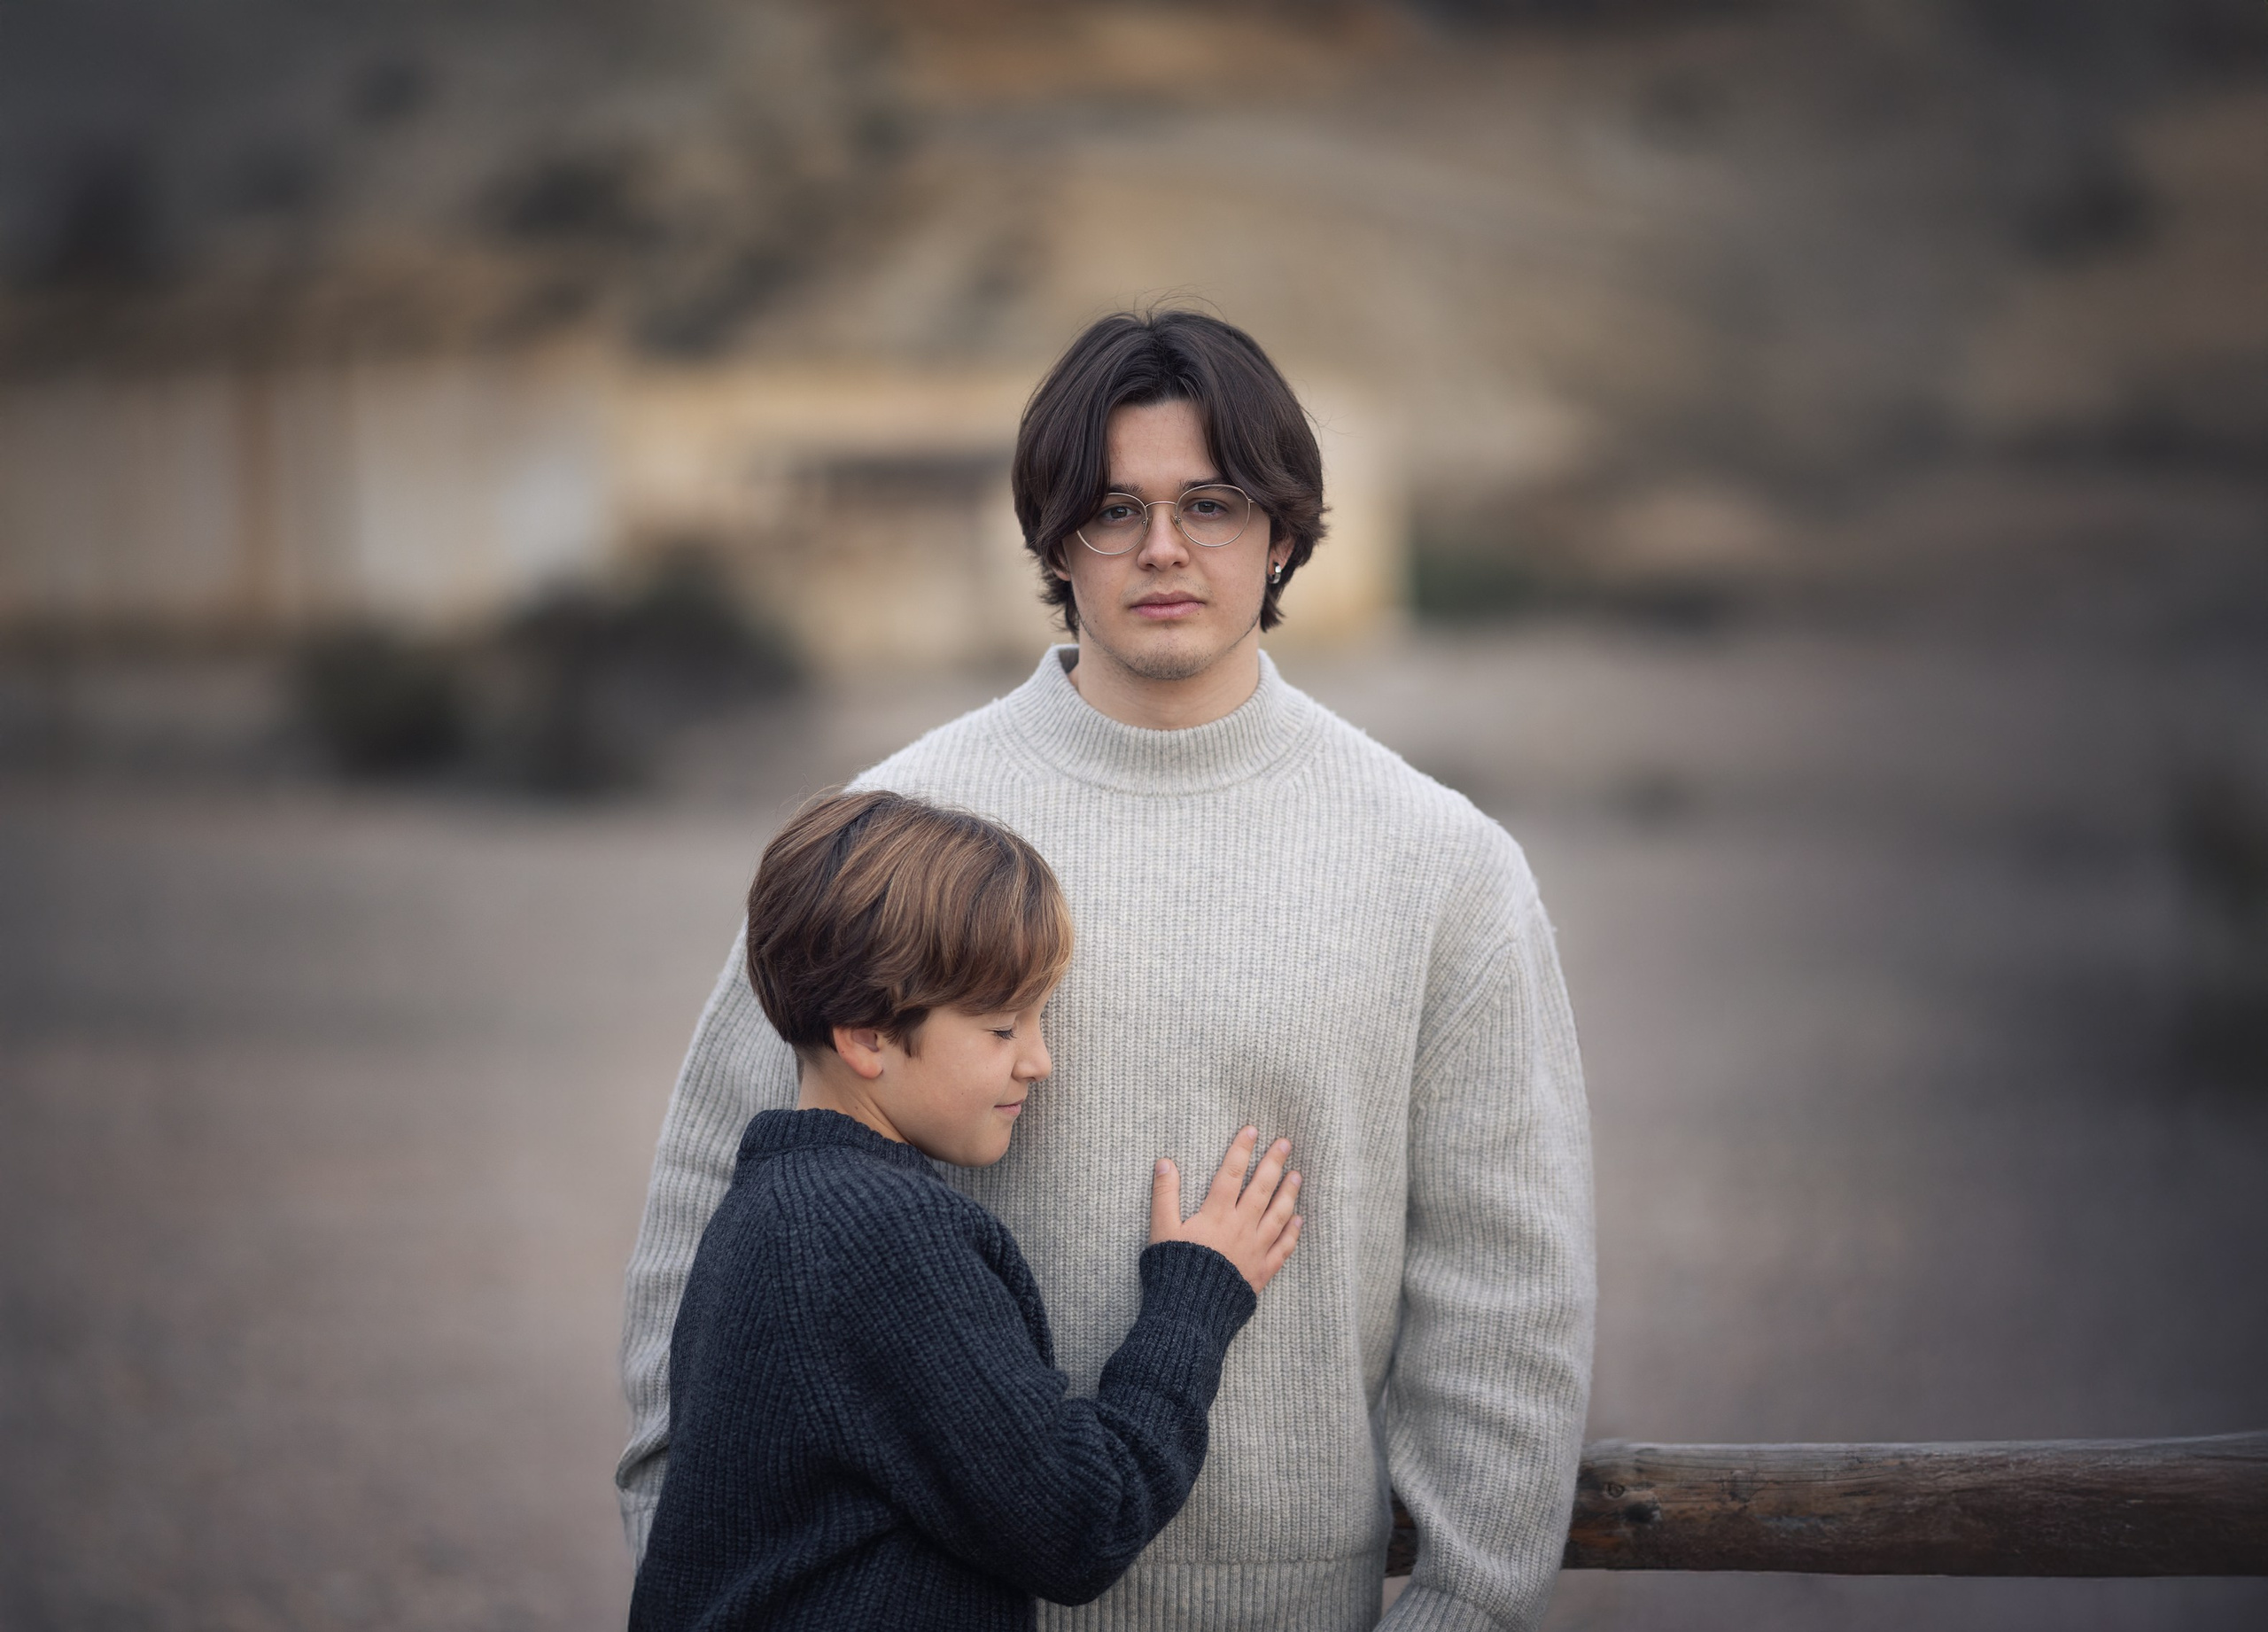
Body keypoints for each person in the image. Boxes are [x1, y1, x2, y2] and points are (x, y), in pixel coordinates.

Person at [619, 308, 1595, 1632]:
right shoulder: (892, 830)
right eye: (1113, 509)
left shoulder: (1441, 865)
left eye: (1212, 503)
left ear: (1283, 533)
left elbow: (1507, 1295)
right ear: (1052, 537)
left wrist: (1464, 1610)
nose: (1163, 548)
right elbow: (711, 1223)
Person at [629, 789, 1302, 1632]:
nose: (1040, 1061)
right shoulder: (878, 1234)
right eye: (1003, 1028)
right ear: (866, 1034)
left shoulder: (769, 1207)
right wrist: (1194, 1302)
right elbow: (1078, 1523)